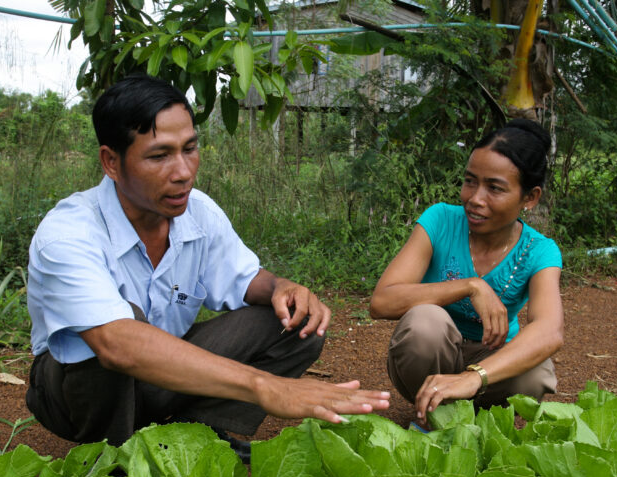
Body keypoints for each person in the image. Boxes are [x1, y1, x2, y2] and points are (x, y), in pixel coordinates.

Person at [25, 74, 389, 457]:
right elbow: (118, 346)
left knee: (292, 322)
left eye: (190, 148)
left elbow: (246, 278)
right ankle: (113, 460)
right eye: (159, 155)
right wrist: (265, 386)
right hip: (74, 393)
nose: (183, 171)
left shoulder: (198, 212)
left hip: (163, 375)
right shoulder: (68, 232)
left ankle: (195, 444)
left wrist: (282, 286)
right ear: (111, 162)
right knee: (118, 328)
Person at [369, 119, 563, 426]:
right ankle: (435, 418)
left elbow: (550, 331)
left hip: (491, 369)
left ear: (530, 198)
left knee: (537, 371)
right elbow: (382, 302)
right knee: (425, 322)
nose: (475, 198)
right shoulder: (441, 220)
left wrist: (475, 377)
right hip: (434, 360)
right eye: (470, 181)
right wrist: (470, 286)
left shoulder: (540, 251)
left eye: (495, 188)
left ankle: (478, 419)